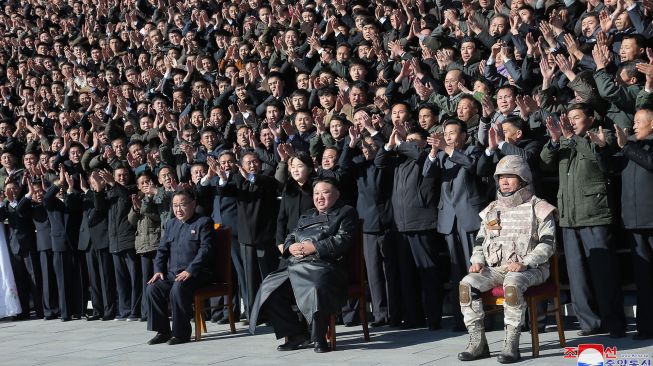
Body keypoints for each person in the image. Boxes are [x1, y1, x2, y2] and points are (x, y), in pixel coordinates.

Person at [457, 155, 557, 364]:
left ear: (523, 179)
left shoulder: (539, 207)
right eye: (501, 177)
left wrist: (526, 263)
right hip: (496, 268)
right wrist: (477, 260)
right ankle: (478, 343)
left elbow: (548, 245)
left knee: (512, 285)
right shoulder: (493, 209)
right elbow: (480, 241)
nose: (504, 181)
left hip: (531, 269)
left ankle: (511, 345)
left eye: (510, 177)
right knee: (466, 285)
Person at [540, 104, 626, 338]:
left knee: (604, 273)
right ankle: (588, 323)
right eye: (569, 118)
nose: (572, 122)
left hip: (595, 213)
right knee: (577, 275)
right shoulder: (566, 140)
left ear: (590, 118)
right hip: (569, 216)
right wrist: (555, 140)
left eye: (577, 117)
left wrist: (570, 137)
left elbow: (598, 158)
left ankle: (614, 322)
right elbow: (545, 161)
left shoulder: (602, 133)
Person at [249, 178, 359, 353]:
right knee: (269, 288)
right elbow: (292, 235)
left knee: (315, 287)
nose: (319, 197)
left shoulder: (346, 212)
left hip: (327, 266)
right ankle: (295, 334)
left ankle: (318, 337)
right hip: (296, 265)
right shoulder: (307, 215)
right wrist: (290, 246)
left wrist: (314, 247)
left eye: (325, 192)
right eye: (316, 193)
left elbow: (343, 240)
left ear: (337, 194)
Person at [595, 107, 653, 340]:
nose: (634, 125)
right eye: (634, 122)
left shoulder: (637, 147)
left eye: (639, 122)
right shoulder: (629, 146)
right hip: (634, 222)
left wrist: (626, 146)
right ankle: (647, 327)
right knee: (643, 279)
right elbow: (609, 168)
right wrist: (601, 149)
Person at [146, 190, 214, 345]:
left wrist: (190, 270)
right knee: (152, 288)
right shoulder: (171, 223)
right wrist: (158, 270)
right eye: (175, 205)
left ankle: (181, 333)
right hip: (174, 274)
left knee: (178, 288)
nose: (178, 209)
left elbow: (206, 250)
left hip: (198, 273)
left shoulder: (204, 222)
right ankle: (163, 331)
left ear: (193, 204)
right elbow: (162, 251)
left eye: (182, 205)